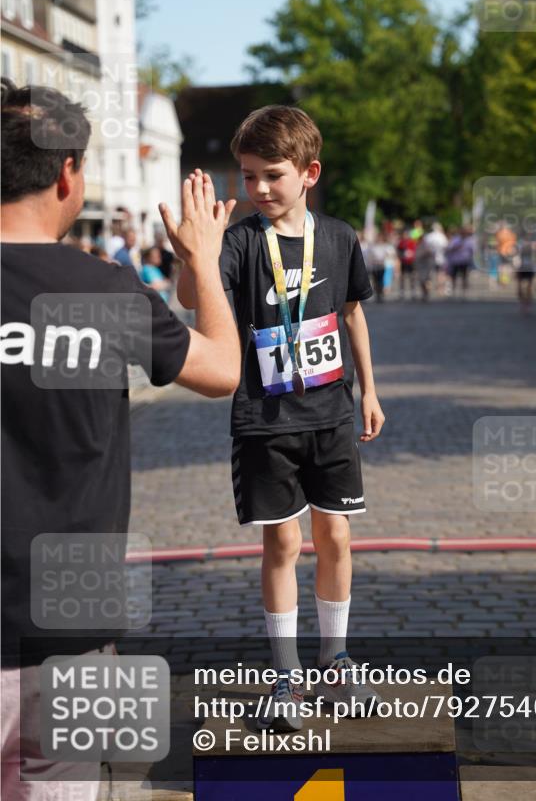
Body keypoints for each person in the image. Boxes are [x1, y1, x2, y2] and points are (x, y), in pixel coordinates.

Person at [1, 81, 241, 800]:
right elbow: (223, 369)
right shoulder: (106, 292)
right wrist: (202, 258)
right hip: (68, 632)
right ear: (69, 173)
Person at [178, 105, 386, 729]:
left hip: (331, 415)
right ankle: (287, 676)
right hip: (265, 420)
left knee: (338, 537)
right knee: (284, 542)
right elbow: (196, 301)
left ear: (308, 172)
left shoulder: (341, 237)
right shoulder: (241, 241)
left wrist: (370, 391)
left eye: (271, 174)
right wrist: (196, 254)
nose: (258, 188)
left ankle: (337, 661)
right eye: (248, 176)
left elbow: (352, 313)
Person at [446, 226, 475, 295]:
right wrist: (456, 247)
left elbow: (473, 250)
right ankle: (454, 290)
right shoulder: (456, 239)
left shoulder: (469, 240)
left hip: (464, 261)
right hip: (455, 261)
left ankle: (463, 291)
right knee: (454, 276)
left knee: (464, 276)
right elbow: (449, 248)